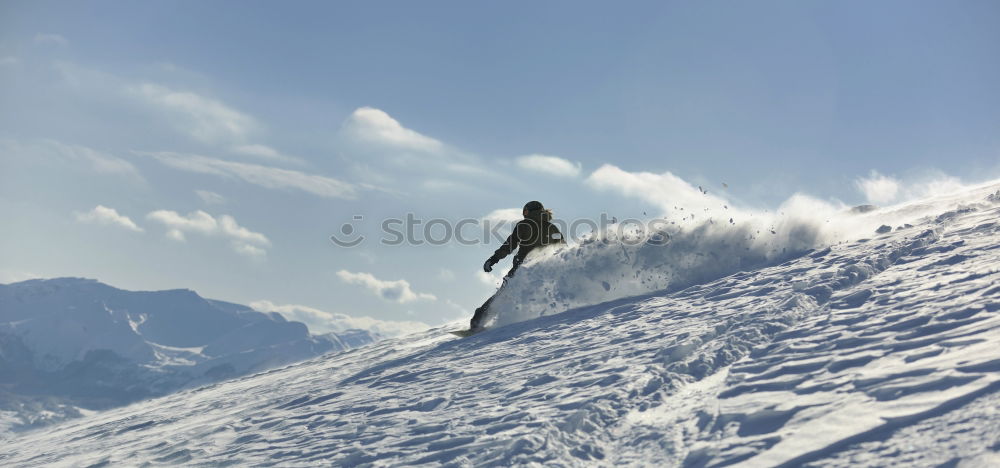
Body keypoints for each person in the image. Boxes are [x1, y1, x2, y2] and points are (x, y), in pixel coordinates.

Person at [469, 200, 565, 330]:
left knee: (503, 295)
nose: (524, 214)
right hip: (543, 272)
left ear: (529, 211)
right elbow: (563, 248)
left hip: (522, 270)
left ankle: (478, 320)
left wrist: (493, 259)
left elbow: (510, 245)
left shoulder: (524, 225)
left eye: (525, 211)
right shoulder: (552, 227)